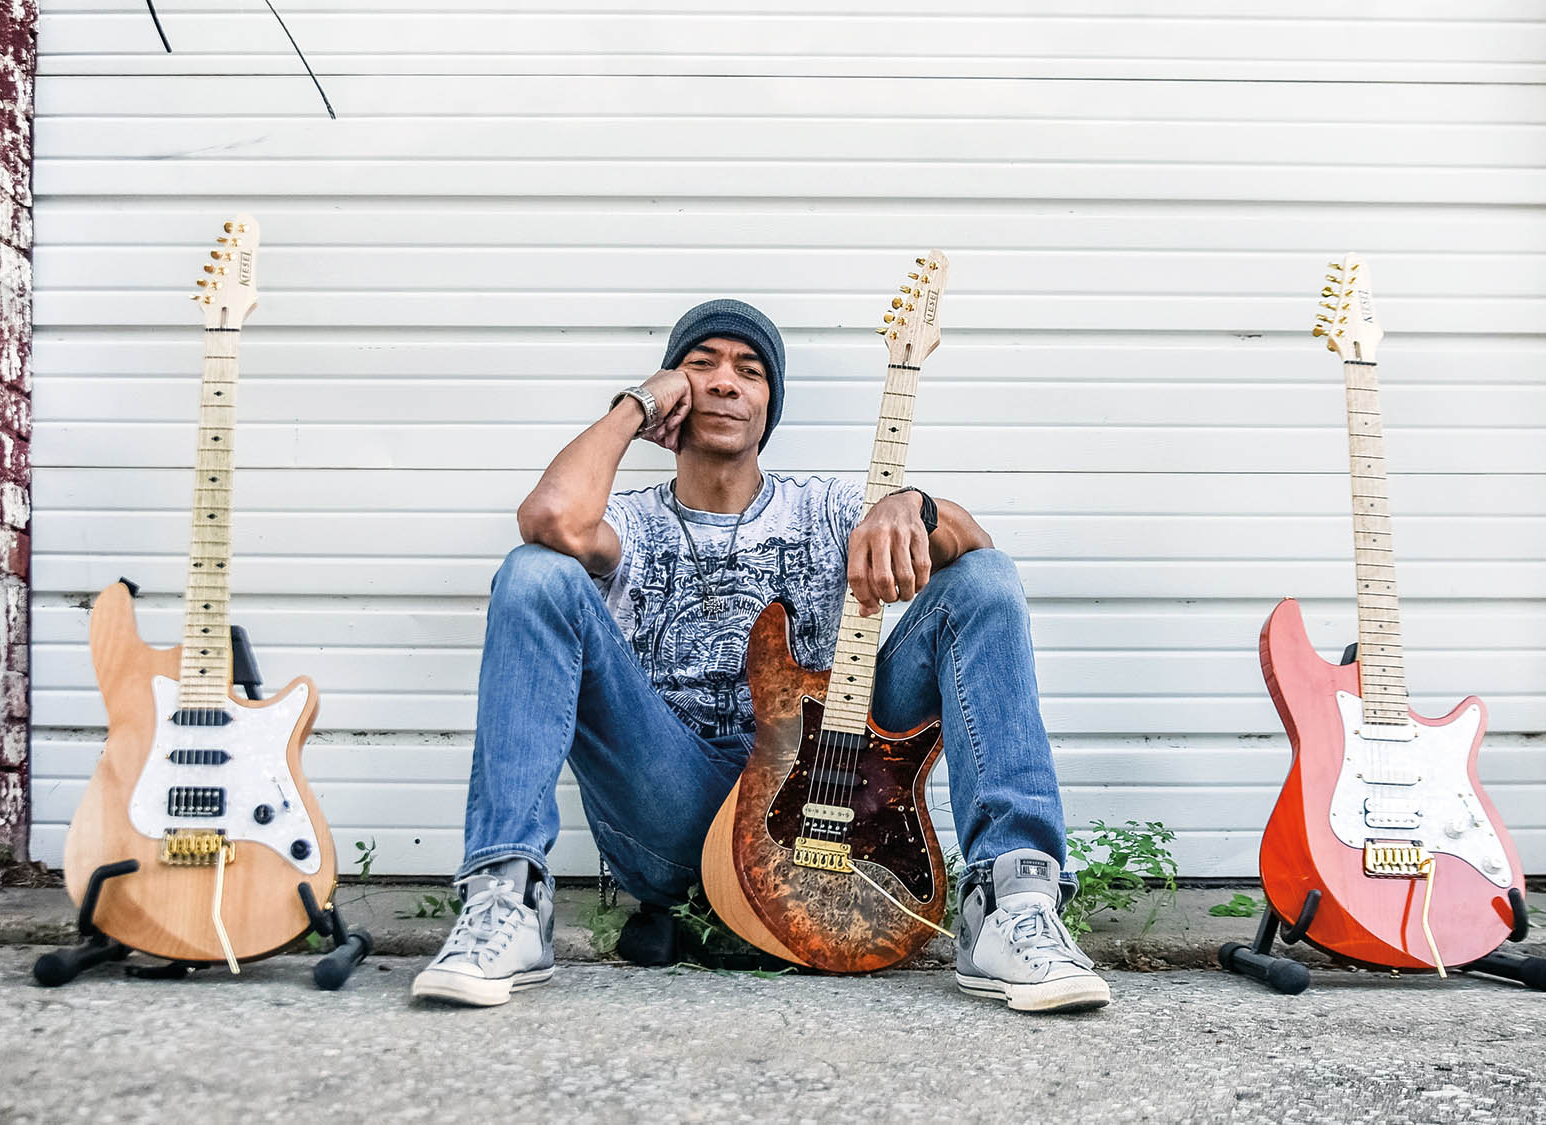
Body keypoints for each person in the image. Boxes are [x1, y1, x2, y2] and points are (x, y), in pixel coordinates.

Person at [411, 299, 1109, 1013]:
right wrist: (636, 404)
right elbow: (551, 517)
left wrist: (915, 504)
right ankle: (505, 900)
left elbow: (973, 543)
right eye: (700, 365)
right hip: (674, 803)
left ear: (768, 405)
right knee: (535, 572)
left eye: (749, 370)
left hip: (823, 791)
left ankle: (1012, 902)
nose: (725, 381)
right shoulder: (629, 523)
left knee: (983, 579)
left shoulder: (828, 507)